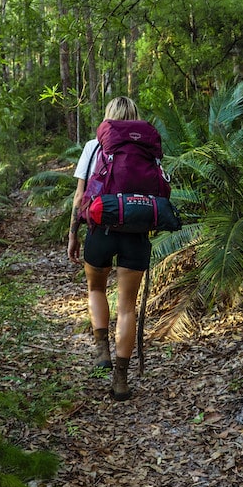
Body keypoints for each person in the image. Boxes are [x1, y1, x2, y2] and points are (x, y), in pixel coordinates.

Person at [67, 96, 151, 401]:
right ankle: (120, 379)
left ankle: (102, 349)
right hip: (136, 233)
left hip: (100, 229)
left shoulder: (93, 146)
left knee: (96, 289)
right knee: (127, 306)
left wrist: (73, 234)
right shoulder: (148, 148)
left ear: (108, 118)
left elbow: (79, 198)